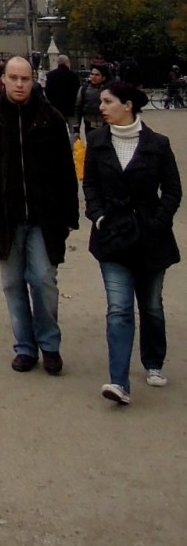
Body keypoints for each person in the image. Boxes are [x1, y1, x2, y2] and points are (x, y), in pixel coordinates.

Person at [0, 56, 80, 374]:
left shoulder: (50, 118)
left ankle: (50, 344)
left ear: (32, 81)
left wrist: (71, 212)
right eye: (13, 78)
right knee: (13, 283)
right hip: (3, 213)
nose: (18, 84)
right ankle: (25, 347)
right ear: (3, 80)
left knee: (42, 278)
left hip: (44, 214)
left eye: (24, 79)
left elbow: (66, 169)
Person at [83, 79, 181, 406]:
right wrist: (98, 217)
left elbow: (172, 190)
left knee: (151, 306)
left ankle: (153, 362)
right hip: (112, 236)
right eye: (101, 102)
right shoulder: (96, 142)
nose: (101, 107)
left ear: (128, 105)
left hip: (152, 238)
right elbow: (91, 187)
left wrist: (158, 221)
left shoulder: (158, 144)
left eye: (108, 101)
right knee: (119, 309)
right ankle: (118, 381)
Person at [76, 61, 112, 138]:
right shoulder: (84, 89)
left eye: (97, 75)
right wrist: (76, 129)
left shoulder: (110, 90)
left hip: (107, 125)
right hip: (89, 126)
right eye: (92, 74)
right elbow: (78, 108)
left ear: (103, 77)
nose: (93, 77)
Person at [43, 54, 80, 131]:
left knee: (57, 131)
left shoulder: (50, 75)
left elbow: (47, 92)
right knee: (73, 131)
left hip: (56, 109)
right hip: (71, 109)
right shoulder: (73, 76)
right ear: (67, 63)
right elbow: (78, 92)